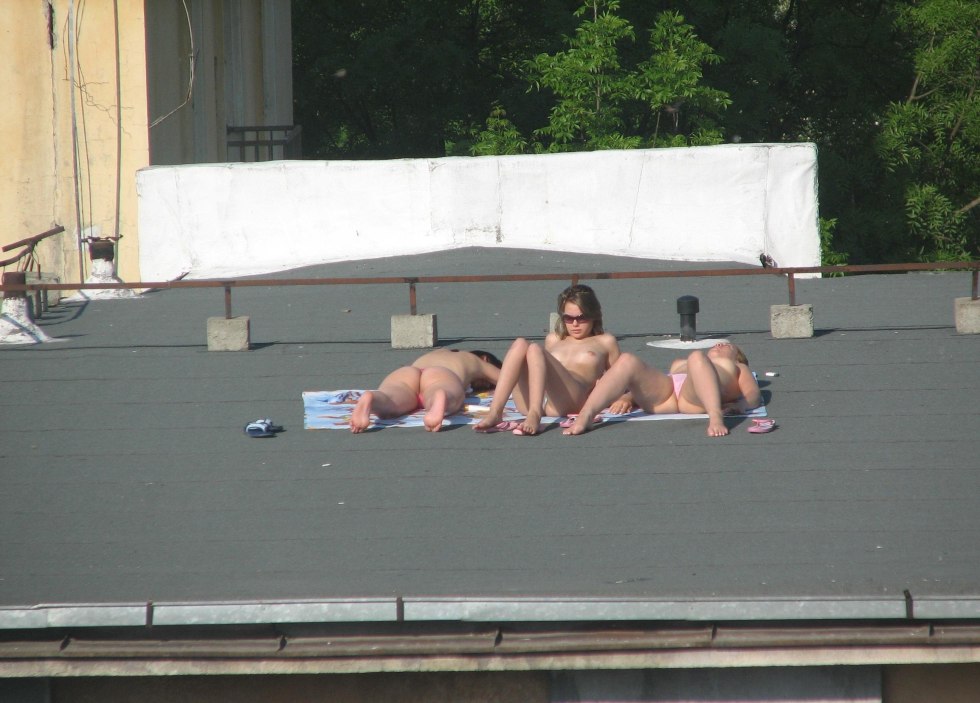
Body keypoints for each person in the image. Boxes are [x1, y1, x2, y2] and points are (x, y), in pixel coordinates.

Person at [474, 284, 631, 436]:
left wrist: (626, 398)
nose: (575, 324)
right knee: (520, 343)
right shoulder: (553, 340)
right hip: (548, 403)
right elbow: (540, 371)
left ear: (594, 316)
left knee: (535, 349)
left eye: (582, 318)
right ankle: (495, 412)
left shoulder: (605, 341)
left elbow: (620, 378)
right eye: (568, 318)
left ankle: (535, 415)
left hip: (576, 399)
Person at [562, 341, 761, 437]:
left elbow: (753, 394)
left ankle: (715, 417)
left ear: (737, 356)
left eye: (727, 345)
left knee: (696, 357)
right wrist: (629, 398)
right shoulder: (681, 362)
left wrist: (741, 405)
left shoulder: (737, 367)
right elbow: (661, 380)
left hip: (695, 398)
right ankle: (586, 415)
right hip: (666, 395)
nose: (720, 345)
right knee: (627, 360)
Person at [350, 349, 502, 433]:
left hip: (408, 372)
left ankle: (373, 397)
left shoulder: (437, 352)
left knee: (390, 400)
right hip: (441, 374)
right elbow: (505, 379)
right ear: (485, 359)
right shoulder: (475, 360)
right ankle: (441, 395)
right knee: (447, 393)